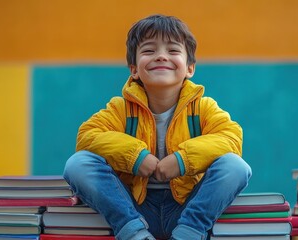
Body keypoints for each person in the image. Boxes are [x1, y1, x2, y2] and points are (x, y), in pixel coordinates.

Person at [63, 14, 252, 240]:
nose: (161, 56)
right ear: (134, 69)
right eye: (149, 51)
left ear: (190, 68)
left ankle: (189, 233)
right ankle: (133, 233)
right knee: (78, 163)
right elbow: (87, 136)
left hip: (187, 208)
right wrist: (136, 157)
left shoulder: (203, 107)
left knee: (235, 166)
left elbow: (231, 137)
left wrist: (182, 160)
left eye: (173, 51)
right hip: (133, 208)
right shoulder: (121, 108)